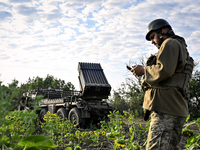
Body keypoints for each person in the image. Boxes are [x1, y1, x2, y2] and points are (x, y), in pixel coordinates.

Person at [131, 19, 194, 150]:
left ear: (163, 31)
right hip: (174, 108)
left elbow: (164, 70)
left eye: (153, 37)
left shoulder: (170, 43)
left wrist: (144, 70)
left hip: (166, 110)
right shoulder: (180, 46)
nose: (152, 42)